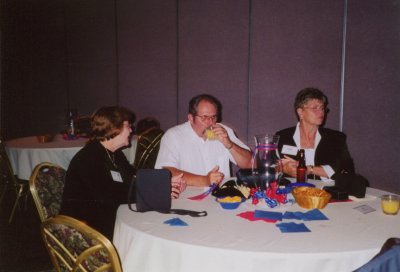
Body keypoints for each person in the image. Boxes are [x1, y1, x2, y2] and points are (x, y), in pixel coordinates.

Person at [60, 106, 184, 239]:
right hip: (88, 229)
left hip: (109, 215)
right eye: (128, 126)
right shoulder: (89, 159)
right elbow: (114, 194)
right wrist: (159, 190)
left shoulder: (114, 154)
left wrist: (165, 181)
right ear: (114, 128)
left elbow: (135, 176)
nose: (131, 130)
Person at [155, 94, 252, 186]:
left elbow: (251, 165)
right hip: (186, 199)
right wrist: (204, 180)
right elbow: (166, 171)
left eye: (213, 117)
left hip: (221, 198)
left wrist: (230, 144)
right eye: (204, 117)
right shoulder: (173, 136)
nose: (210, 122)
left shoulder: (223, 131)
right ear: (190, 118)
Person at [276, 87, 355, 181]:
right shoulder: (282, 136)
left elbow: (346, 169)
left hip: (326, 192)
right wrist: (282, 168)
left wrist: (309, 169)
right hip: (292, 191)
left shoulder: (336, 138)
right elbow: (270, 167)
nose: (321, 112)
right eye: (315, 108)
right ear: (300, 112)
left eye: (322, 108)